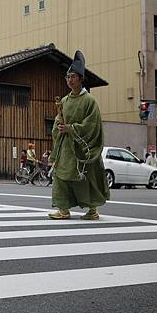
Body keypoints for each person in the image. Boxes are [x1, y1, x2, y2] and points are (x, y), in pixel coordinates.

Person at [49, 50, 109, 220]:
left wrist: (72, 129)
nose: (69, 80)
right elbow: (58, 121)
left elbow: (92, 125)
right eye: (67, 77)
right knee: (61, 176)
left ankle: (92, 210)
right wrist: (59, 127)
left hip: (82, 147)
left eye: (73, 76)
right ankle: (63, 209)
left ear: (81, 78)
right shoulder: (65, 101)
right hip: (66, 146)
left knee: (85, 178)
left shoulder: (89, 101)